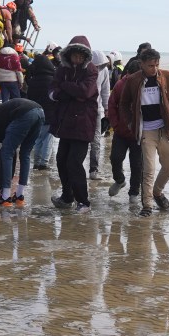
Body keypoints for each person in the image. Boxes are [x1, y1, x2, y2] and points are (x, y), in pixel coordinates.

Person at [120, 47, 169, 217]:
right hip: (146, 131)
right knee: (148, 169)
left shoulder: (168, 77)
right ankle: (147, 205)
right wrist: (129, 123)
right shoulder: (133, 80)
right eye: (150, 65)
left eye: (157, 65)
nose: (154, 69)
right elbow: (123, 104)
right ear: (141, 64)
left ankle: (157, 192)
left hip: (166, 129)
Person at [49, 35, 99, 211]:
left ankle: (83, 202)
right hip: (64, 123)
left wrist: (65, 87)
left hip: (84, 124)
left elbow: (85, 92)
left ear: (86, 56)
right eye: (74, 55)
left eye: (80, 55)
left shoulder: (92, 70)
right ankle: (67, 197)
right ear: (68, 55)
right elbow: (54, 92)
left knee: (74, 163)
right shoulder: (62, 70)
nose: (77, 58)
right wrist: (68, 90)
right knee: (61, 160)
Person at [0, 98, 45, 205]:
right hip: (40, 112)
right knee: (25, 154)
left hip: (25, 113)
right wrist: (7, 179)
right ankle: (19, 196)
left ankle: (5, 198)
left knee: (6, 153)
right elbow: (12, 155)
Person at [107, 58, 142, 205]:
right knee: (115, 158)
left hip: (139, 134)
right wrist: (115, 124)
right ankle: (119, 180)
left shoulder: (146, 85)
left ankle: (134, 192)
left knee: (137, 165)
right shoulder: (120, 85)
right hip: (121, 132)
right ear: (127, 74)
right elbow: (112, 105)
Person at [24, 51, 58, 169]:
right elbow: (55, 98)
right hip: (50, 114)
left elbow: (29, 97)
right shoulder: (52, 80)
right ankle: (44, 163)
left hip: (36, 114)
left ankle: (36, 162)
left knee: (37, 139)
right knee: (48, 139)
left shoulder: (33, 81)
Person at [88, 49, 111, 180]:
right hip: (83, 110)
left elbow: (105, 91)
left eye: (99, 66)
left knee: (96, 140)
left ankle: (93, 169)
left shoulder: (105, 71)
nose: (97, 68)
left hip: (96, 110)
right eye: (95, 66)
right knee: (81, 140)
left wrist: (107, 109)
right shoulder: (83, 71)